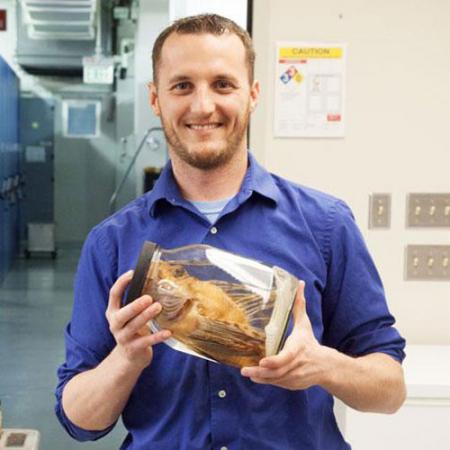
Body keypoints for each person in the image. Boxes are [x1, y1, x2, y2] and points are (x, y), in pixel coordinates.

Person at [55, 14, 406, 450]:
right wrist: (125, 359)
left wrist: (322, 366)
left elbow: (390, 390)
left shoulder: (326, 226)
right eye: (182, 85)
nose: (203, 106)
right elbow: (79, 419)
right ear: (155, 99)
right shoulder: (111, 243)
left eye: (223, 84)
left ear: (253, 94)